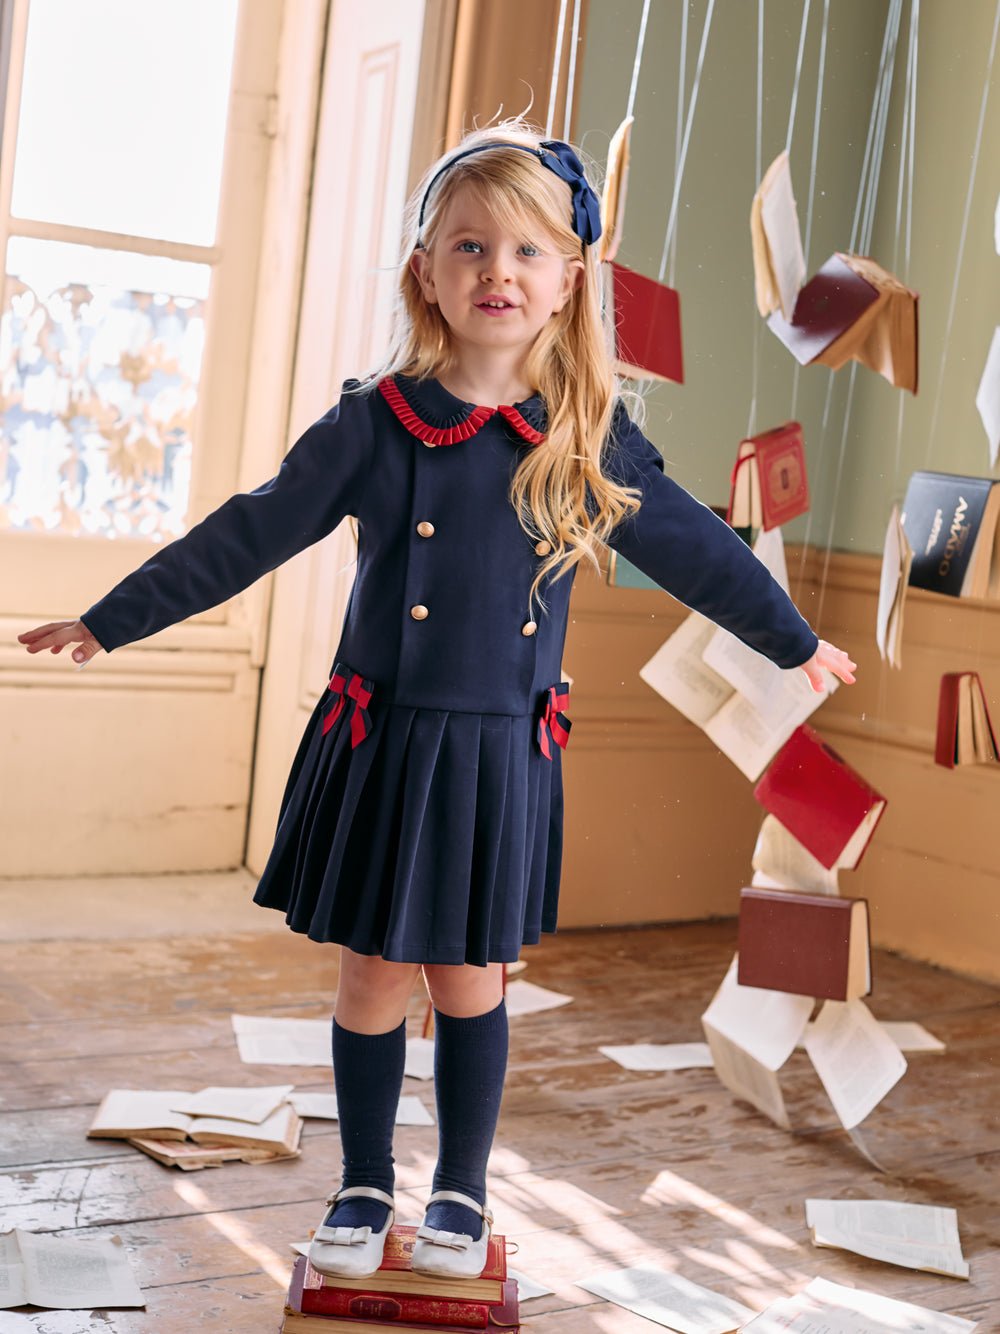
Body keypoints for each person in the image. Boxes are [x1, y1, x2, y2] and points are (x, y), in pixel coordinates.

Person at [17, 120, 857, 1283]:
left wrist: (793, 635)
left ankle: (459, 1189)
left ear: (569, 282)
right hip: (384, 742)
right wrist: (113, 617)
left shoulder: (586, 438)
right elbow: (249, 530)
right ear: (426, 270)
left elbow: (698, 553)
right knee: (369, 973)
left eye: (525, 251)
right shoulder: (377, 420)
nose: (496, 272)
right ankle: (363, 1184)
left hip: (493, 750)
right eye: (468, 247)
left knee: (468, 977)